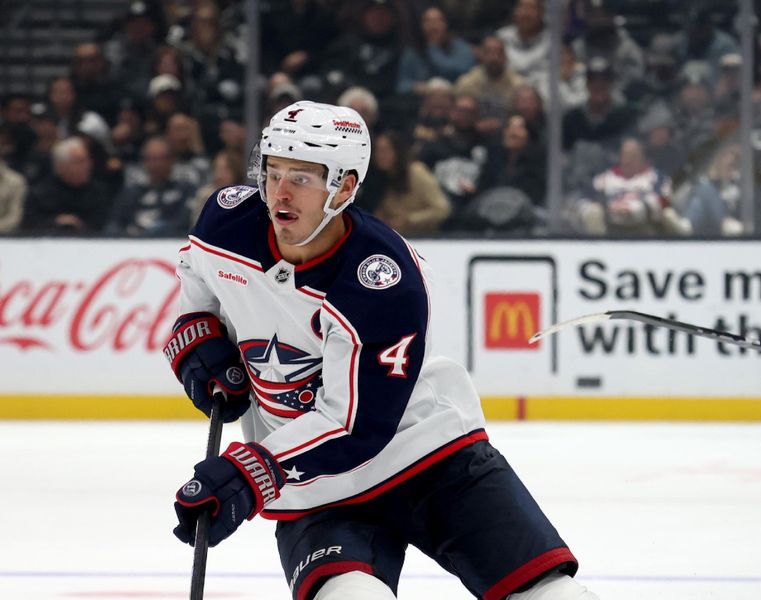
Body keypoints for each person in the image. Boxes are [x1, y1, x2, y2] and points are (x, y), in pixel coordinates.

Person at [165, 100, 599, 600]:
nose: (278, 192)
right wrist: (198, 337)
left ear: (344, 188)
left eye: (302, 178)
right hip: (318, 485)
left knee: (548, 595)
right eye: (272, 171)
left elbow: (355, 425)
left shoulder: (383, 280)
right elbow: (198, 283)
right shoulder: (227, 221)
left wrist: (251, 470)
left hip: (428, 455)